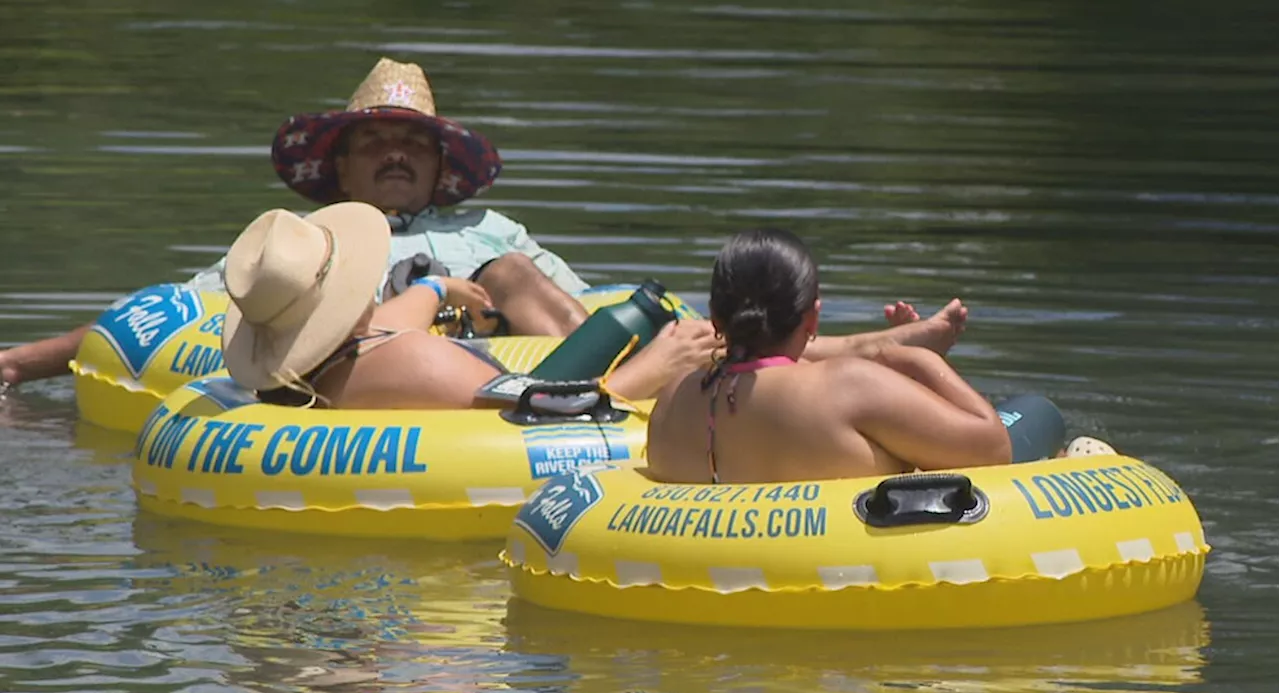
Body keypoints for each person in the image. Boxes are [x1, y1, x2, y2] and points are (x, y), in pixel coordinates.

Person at [0, 56, 702, 395]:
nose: (397, 153)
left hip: (505, 362)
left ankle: (590, 396)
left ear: (439, 165)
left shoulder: (489, 231)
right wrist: (21, 362)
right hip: (365, 376)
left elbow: (597, 306)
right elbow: (169, 313)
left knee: (512, 273)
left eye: (415, 143)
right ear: (339, 167)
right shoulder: (306, 245)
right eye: (375, 142)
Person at [221, 203, 711, 409]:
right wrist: (651, 368)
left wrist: (437, 290)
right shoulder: (414, 361)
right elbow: (541, 414)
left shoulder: (317, 371)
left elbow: (381, 325)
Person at [646, 228, 1015, 485]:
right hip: (848, 580)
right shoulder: (848, 386)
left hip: (713, 579)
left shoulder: (673, 399)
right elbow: (996, 450)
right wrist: (918, 360)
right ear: (813, 317)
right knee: (1033, 415)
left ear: (714, 316)